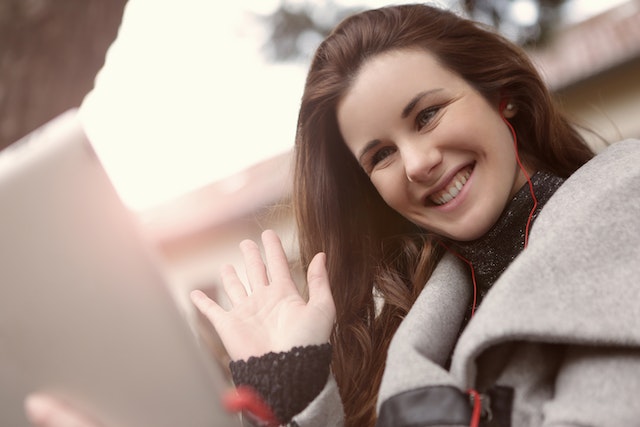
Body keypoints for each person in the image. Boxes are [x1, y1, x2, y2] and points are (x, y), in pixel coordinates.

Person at [26, 3, 640, 427]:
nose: (419, 162)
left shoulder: (623, 208)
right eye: (380, 155)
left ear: (500, 94)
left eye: (427, 114)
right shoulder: (409, 330)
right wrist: (289, 384)